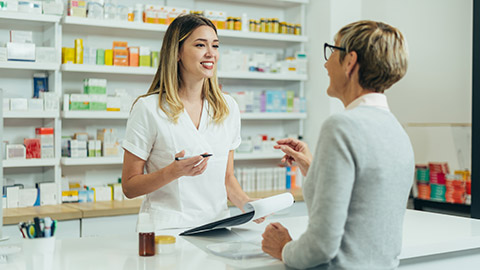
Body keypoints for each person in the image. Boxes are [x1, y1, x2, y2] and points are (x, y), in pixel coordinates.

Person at [261, 20, 414, 269]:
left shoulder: (342, 126)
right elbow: (362, 200)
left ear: (350, 61)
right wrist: (313, 167)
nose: (326, 63)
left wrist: (284, 248)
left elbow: (322, 245)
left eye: (332, 51)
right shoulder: (396, 130)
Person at [121, 14, 257, 230]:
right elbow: (129, 187)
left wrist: (248, 205)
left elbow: (227, 177)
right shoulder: (148, 108)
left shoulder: (227, 107)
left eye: (215, 45)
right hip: (167, 232)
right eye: (200, 45)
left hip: (217, 227)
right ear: (177, 53)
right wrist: (172, 172)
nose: (211, 53)